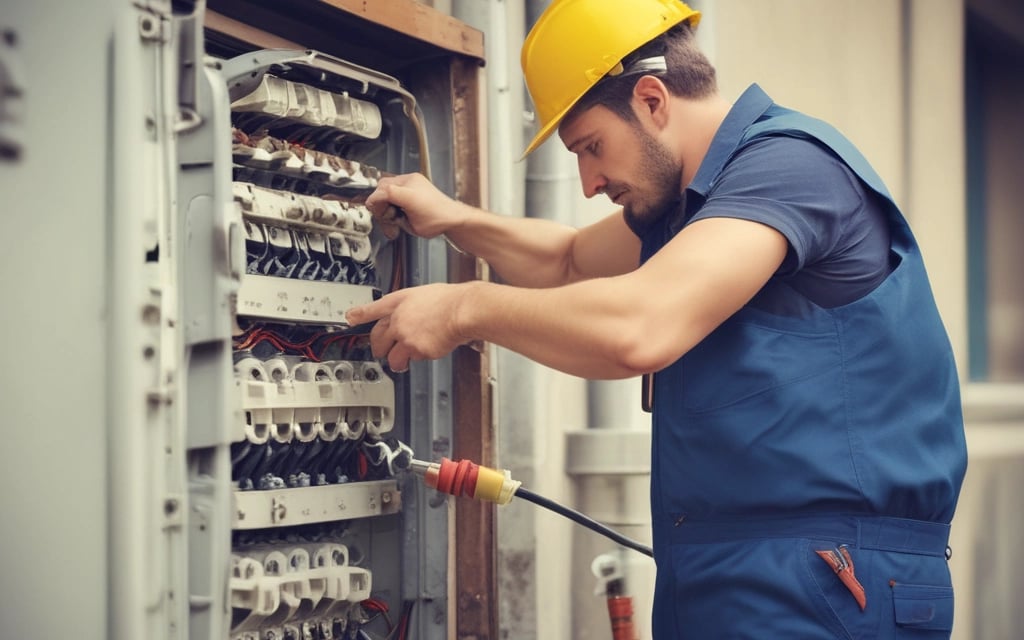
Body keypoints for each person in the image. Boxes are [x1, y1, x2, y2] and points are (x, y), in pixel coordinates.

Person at [345, 0, 969, 636]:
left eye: (592, 147)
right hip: (737, 570)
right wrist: (454, 218)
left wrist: (462, 308)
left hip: (827, 578)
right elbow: (567, 259)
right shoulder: (700, 204)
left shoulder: (788, 169)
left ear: (651, 100)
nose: (588, 182)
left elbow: (638, 329)